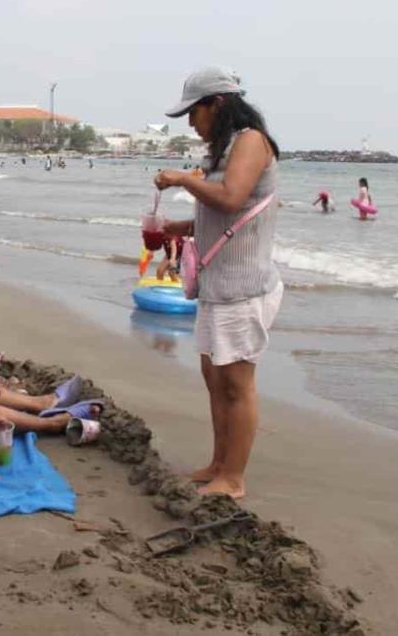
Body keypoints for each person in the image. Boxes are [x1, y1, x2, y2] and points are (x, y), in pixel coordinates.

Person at [153, 66, 282, 499]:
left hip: (245, 286)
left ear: (219, 104)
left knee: (237, 383)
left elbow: (229, 198)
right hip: (217, 285)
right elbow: (221, 214)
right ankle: (218, 463)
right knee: (214, 377)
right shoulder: (225, 148)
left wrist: (184, 179)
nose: (191, 123)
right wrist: (180, 226)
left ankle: (234, 477)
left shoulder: (251, 140)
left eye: (195, 112)